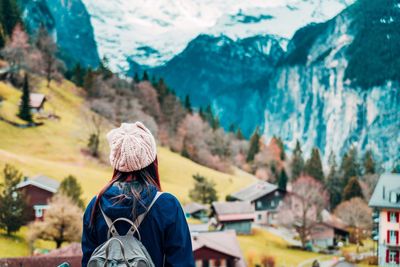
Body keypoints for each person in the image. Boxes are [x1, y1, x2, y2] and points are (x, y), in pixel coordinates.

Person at [81, 122, 194, 266]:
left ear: (116, 161)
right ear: (151, 159)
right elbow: (182, 263)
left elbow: (88, 262)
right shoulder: (167, 205)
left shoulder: (95, 205)